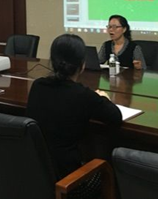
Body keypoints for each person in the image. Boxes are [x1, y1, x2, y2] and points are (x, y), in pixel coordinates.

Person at [26, 34, 122, 199]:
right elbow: (115, 117)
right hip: (72, 183)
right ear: (82, 65)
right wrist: (103, 98)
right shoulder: (82, 95)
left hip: (37, 175)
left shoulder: (38, 86)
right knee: (111, 172)